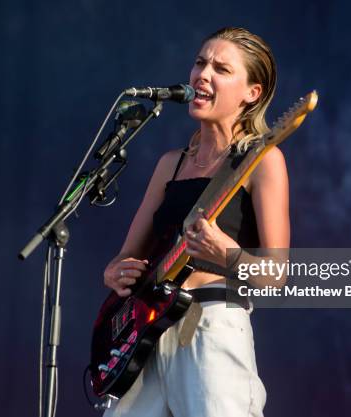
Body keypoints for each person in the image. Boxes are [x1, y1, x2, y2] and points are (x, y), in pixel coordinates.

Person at [102, 27, 289, 417]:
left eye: (221, 69)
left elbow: (276, 274)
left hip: (212, 328)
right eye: (201, 63)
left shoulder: (262, 161)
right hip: (148, 337)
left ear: (251, 93)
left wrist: (227, 253)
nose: (203, 74)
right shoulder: (171, 164)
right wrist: (116, 271)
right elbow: (126, 256)